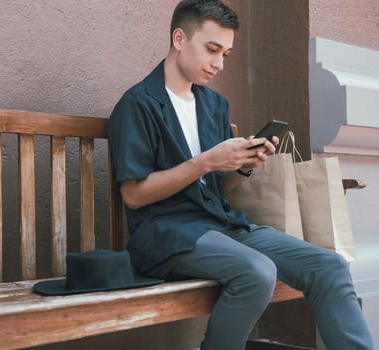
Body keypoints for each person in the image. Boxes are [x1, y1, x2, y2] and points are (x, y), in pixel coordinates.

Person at [107, 0, 374, 349]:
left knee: (330, 266)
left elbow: (221, 187)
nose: (218, 64)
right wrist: (206, 161)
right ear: (179, 38)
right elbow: (134, 194)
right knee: (256, 272)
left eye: (226, 55)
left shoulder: (214, 105)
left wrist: (246, 164)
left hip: (223, 225)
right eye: (212, 50)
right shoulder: (138, 104)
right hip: (166, 235)